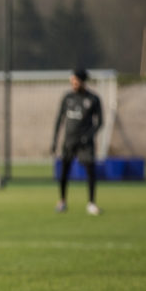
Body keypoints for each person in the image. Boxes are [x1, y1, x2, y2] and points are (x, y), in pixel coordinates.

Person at [51, 68, 103, 215]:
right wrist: (54, 141)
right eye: (71, 80)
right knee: (64, 172)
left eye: (75, 80)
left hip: (86, 143)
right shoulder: (67, 98)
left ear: (82, 81)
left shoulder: (93, 99)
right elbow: (59, 120)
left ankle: (91, 203)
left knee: (90, 171)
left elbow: (100, 122)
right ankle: (62, 201)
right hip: (69, 141)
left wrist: (88, 136)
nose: (73, 83)